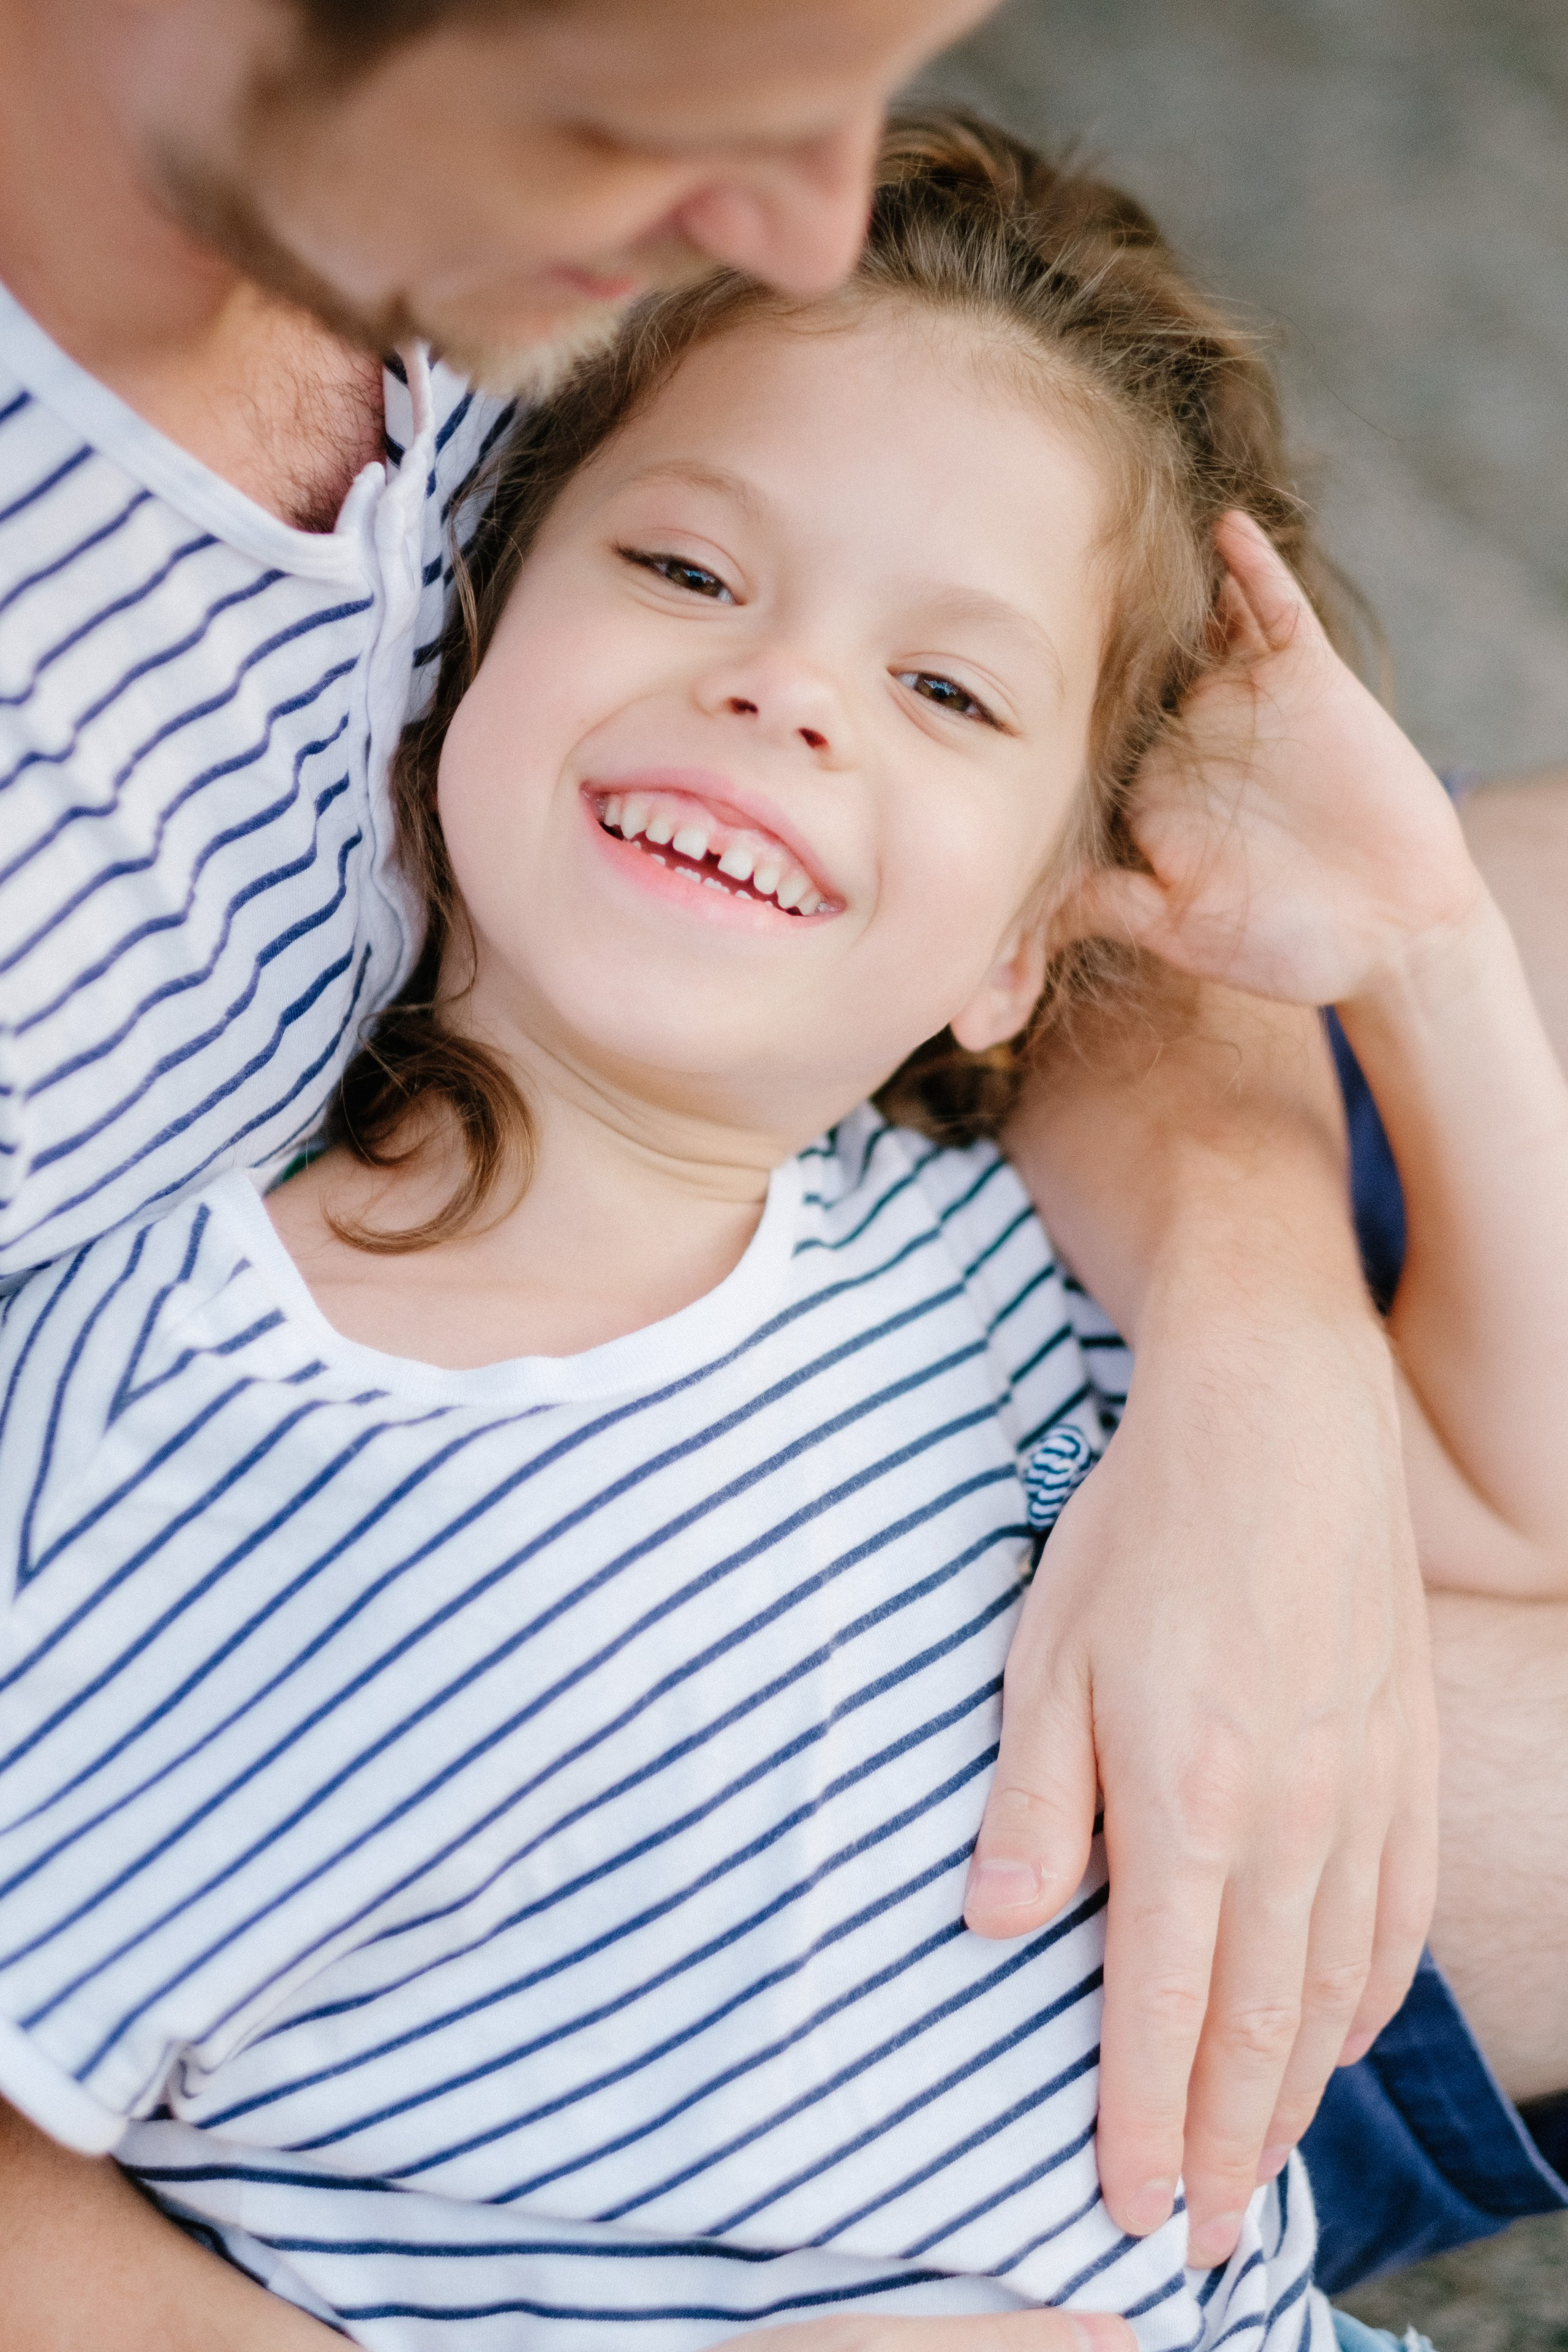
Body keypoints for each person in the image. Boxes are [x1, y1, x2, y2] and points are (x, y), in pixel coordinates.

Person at [0, 0, 1557, 2312]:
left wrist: (1415, 964)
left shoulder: (950, 1246)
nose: (790, 691)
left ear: (1045, 939)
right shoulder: (153, 1448)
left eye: (944, 693)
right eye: (692, 578)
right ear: (469, 643)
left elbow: (1522, 1493)